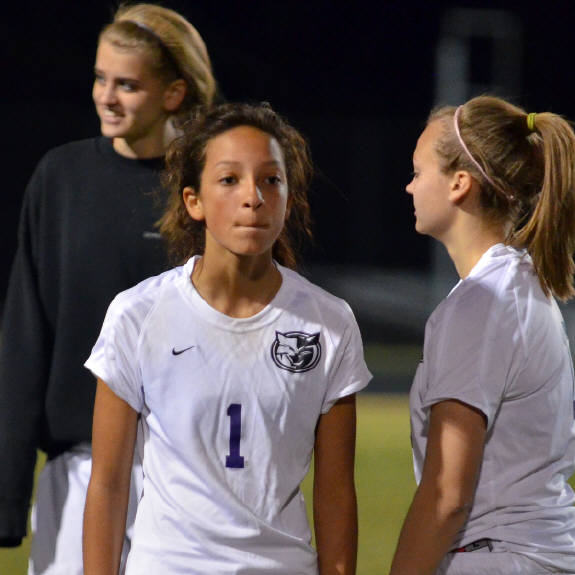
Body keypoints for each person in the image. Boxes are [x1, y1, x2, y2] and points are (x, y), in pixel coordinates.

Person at [83, 101, 372, 574]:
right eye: (229, 179)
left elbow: (336, 493)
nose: (253, 197)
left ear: (289, 198)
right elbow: (108, 484)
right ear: (193, 201)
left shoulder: (329, 323)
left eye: (271, 180)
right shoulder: (138, 315)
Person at [0, 4, 216, 574]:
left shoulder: (208, 188)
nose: (107, 97)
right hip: (80, 470)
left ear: (174, 93)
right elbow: (25, 335)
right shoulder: (61, 178)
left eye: (127, 84)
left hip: (188, 472)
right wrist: (8, 493)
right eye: (101, 79)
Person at [388, 94, 575, 575]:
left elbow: (447, 496)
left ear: (459, 184)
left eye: (418, 172)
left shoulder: (480, 305)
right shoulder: (519, 285)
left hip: (498, 558)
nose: (409, 187)